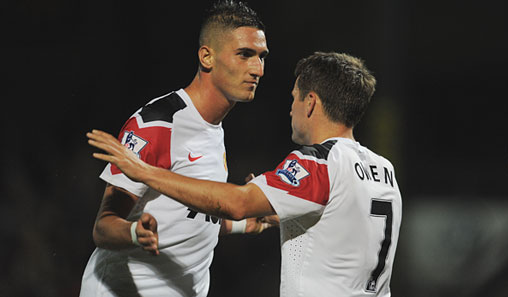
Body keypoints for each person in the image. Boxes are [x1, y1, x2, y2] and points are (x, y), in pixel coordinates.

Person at [88, 51, 403, 296]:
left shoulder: (318, 163)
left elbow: (237, 202)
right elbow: (335, 223)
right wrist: (257, 217)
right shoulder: (384, 171)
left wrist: (145, 172)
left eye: (294, 97)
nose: (290, 107)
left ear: (311, 103)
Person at [80, 1, 269, 296]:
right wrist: (134, 232)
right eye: (244, 54)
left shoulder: (213, 127)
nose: (257, 69)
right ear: (207, 57)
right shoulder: (156, 124)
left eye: (261, 57)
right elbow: (103, 228)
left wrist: (245, 223)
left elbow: (189, 220)